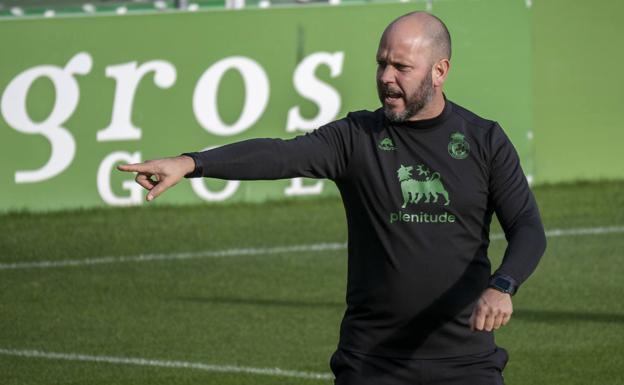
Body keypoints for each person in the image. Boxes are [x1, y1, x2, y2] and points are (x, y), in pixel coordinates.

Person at [118, 11, 546, 385]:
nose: (385, 78)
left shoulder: (484, 140)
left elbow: (527, 227)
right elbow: (280, 155)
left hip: (465, 362)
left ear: (440, 71)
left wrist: (503, 285)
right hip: (373, 363)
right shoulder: (357, 137)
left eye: (401, 67)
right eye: (381, 64)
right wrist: (192, 163)